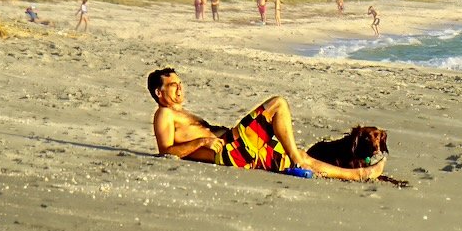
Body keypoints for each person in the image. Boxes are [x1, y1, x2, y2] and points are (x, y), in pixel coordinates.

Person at [147, 67, 384, 182]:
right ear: (159, 92)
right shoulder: (164, 114)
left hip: (238, 151)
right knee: (277, 104)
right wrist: (202, 141)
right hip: (231, 150)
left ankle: (359, 174)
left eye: (180, 83)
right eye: (173, 85)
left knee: (300, 156)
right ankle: (298, 158)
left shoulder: (178, 113)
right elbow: (165, 152)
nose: (180, 88)